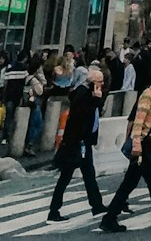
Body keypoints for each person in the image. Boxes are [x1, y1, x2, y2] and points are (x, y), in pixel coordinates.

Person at [99, 62, 151, 233]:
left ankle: (109, 218)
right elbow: (139, 121)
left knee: (130, 184)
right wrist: (136, 145)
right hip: (143, 146)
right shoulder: (148, 95)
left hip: (146, 144)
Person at [48, 66, 105, 221]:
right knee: (66, 177)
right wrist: (95, 99)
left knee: (88, 175)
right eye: (99, 82)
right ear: (92, 82)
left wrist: (97, 99)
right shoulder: (82, 95)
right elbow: (81, 117)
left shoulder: (88, 95)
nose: (102, 85)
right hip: (77, 142)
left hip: (82, 141)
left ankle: (97, 205)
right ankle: (54, 211)